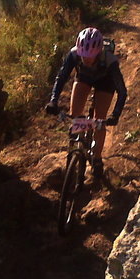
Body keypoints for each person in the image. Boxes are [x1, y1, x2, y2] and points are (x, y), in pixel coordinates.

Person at [46, 27, 127, 176]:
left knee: (100, 119)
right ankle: (76, 144)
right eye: (83, 56)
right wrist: (53, 101)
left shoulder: (110, 61)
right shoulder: (74, 54)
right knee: (75, 115)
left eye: (90, 57)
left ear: (98, 52)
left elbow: (122, 91)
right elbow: (61, 77)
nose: (86, 59)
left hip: (105, 82)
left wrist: (115, 115)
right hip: (84, 78)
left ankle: (97, 158)